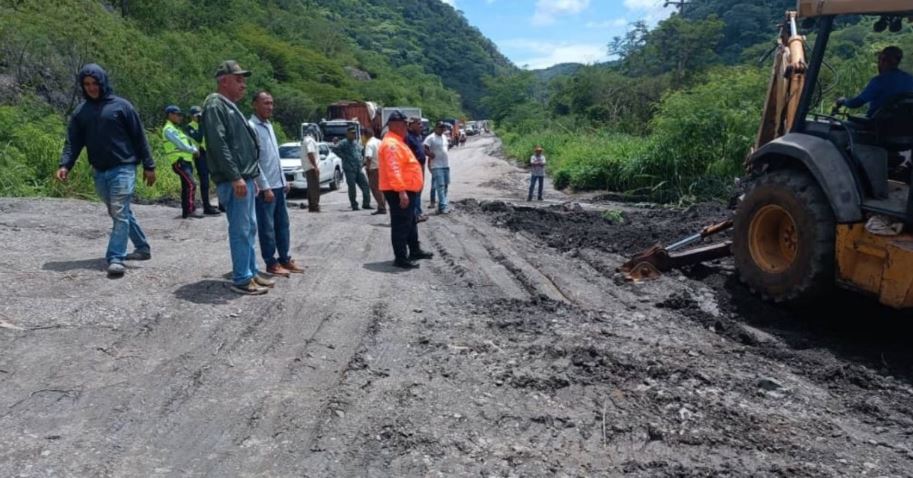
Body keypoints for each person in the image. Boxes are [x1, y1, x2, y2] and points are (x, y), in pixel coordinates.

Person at [56, 63, 156, 277]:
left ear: (103, 82)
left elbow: (139, 137)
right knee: (119, 212)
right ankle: (143, 248)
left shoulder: (122, 106)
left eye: (95, 83)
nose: (91, 88)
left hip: (124, 167)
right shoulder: (81, 112)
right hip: (99, 170)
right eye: (87, 84)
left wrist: (149, 165)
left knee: (119, 212)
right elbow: (73, 142)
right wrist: (65, 164)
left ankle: (115, 258)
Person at [202, 60, 275, 295]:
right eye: (239, 79)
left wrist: (250, 177)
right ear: (224, 80)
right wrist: (235, 177)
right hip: (235, 180)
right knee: (241, 229)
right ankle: (242, 278)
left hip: (245, 178)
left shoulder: (229, 106)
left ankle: (251, 271)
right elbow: (218, 143)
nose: (244, 85)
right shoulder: (215, 105)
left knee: (249, 227)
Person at [249, 91, 305, 278]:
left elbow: (274, 157)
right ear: (254, 104)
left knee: (283, 225)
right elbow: (254, 161)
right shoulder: (251, 127)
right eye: (265, 103)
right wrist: (265, 186)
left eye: (272, 103)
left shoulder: (269, 125)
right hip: (266, 188)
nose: (270, 107)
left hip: (279, 185)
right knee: (267, 227)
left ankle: (284, 258)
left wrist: (283, 180)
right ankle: (271, 262)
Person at [378, 110, 433, 269]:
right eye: (403, 124)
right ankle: (401, 258)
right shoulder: (391, 144)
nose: (406, 127)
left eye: (406, 124)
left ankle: (414, 250)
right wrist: (401, 191)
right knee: (401, 224)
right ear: (393, 125)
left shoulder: (398, 141)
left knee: (410, 221)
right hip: (398, 190)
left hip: (407, 188)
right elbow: (393, 169)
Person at [837, 46, 913, 117]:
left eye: (879, 60)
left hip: (877, 126)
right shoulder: (910, 79)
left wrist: (843, 101)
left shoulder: (879, 81)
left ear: (883, 60)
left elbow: (856, 103)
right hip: (905, 126)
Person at [162, 105, 200, 219]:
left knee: (186, 186)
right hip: (179, 162)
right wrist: (194, 150)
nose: (180, 117)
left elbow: (187, 142)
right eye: (177, 115)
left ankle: (186, 211)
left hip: (186, 161)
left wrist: (194, 148)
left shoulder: (176, 129)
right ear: (170, 115)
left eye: (180, 115)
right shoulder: (169, 129)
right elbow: (180, 144)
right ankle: (190, 210)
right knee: (191, 184)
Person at [184, 105, 220, 215]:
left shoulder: (205, 125)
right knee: (204, 181)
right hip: (199, 155)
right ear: (192, 116)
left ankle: (221, 204)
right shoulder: (189, 127)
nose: (199, 117)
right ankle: (206, 205)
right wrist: (202, 125)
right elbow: (198, 138)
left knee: (218, 178)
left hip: (209, 154)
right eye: (197, 116)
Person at [333, 126, 371, 211]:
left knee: (365, 185)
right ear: (347, 134)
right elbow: (335, 149)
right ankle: (354, 205)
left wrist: (362, 161)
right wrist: (344, 157)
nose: (354, 134)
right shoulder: (343, 143)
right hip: (349, 169)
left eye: (354, 133)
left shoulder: (356, 143)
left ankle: (366, 204)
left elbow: (361, 151)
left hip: (358, 168)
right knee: (352, 187)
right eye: (352, 133)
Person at [424, 121, 451, 214]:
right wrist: (430, 155)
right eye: (440, 127)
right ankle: (443, 207)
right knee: (440, 186)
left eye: (443, 127)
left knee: (446, 185)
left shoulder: (444, 137)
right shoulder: (431, 137)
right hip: (436, 165)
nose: (441, 129)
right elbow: (424, 148)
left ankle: (441, 206)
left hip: (445, 165)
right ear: (436, 127)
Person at [405, 117, 428, 221]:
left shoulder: (417, 136)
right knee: (415, 191)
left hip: (420, 167)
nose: (421, 126)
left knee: (419, 190)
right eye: (418, 124)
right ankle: (415, 214)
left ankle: (417, 212)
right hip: (413, 168)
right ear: (411, 125)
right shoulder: (407, 137)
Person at [362, 127, 386, 215]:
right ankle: (382, 205)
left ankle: (381, 207)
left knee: (375, 188)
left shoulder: (369, 144)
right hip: (382, 167)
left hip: (374, 169)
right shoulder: (379, 141)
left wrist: (367, 168)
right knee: (382, 188)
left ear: (366, 135)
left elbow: (369, 157)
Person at [302, 125, 321, 212]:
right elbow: (310, 153)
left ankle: (311, 206)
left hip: (308, 167)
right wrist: (315, 167)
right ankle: (315, 206)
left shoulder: (305, 140)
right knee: (314, 188)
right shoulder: (310, 140)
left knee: (311, 188)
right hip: (311, 167)